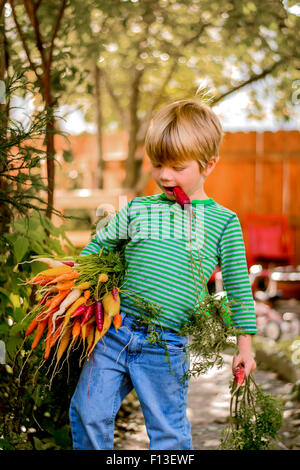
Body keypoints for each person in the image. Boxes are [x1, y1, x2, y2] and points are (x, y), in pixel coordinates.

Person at [69, 99, 257, 450]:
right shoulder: (140, 208)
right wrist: (77, 282)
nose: (165, 175)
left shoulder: (223, 222)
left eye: (177, 166)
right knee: (87, 412)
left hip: (166, 344)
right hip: (115, 332)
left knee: (167, 434)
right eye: (157, 164)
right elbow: (97, 249)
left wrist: (243, 346)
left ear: (209, 165)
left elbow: (238, 288)